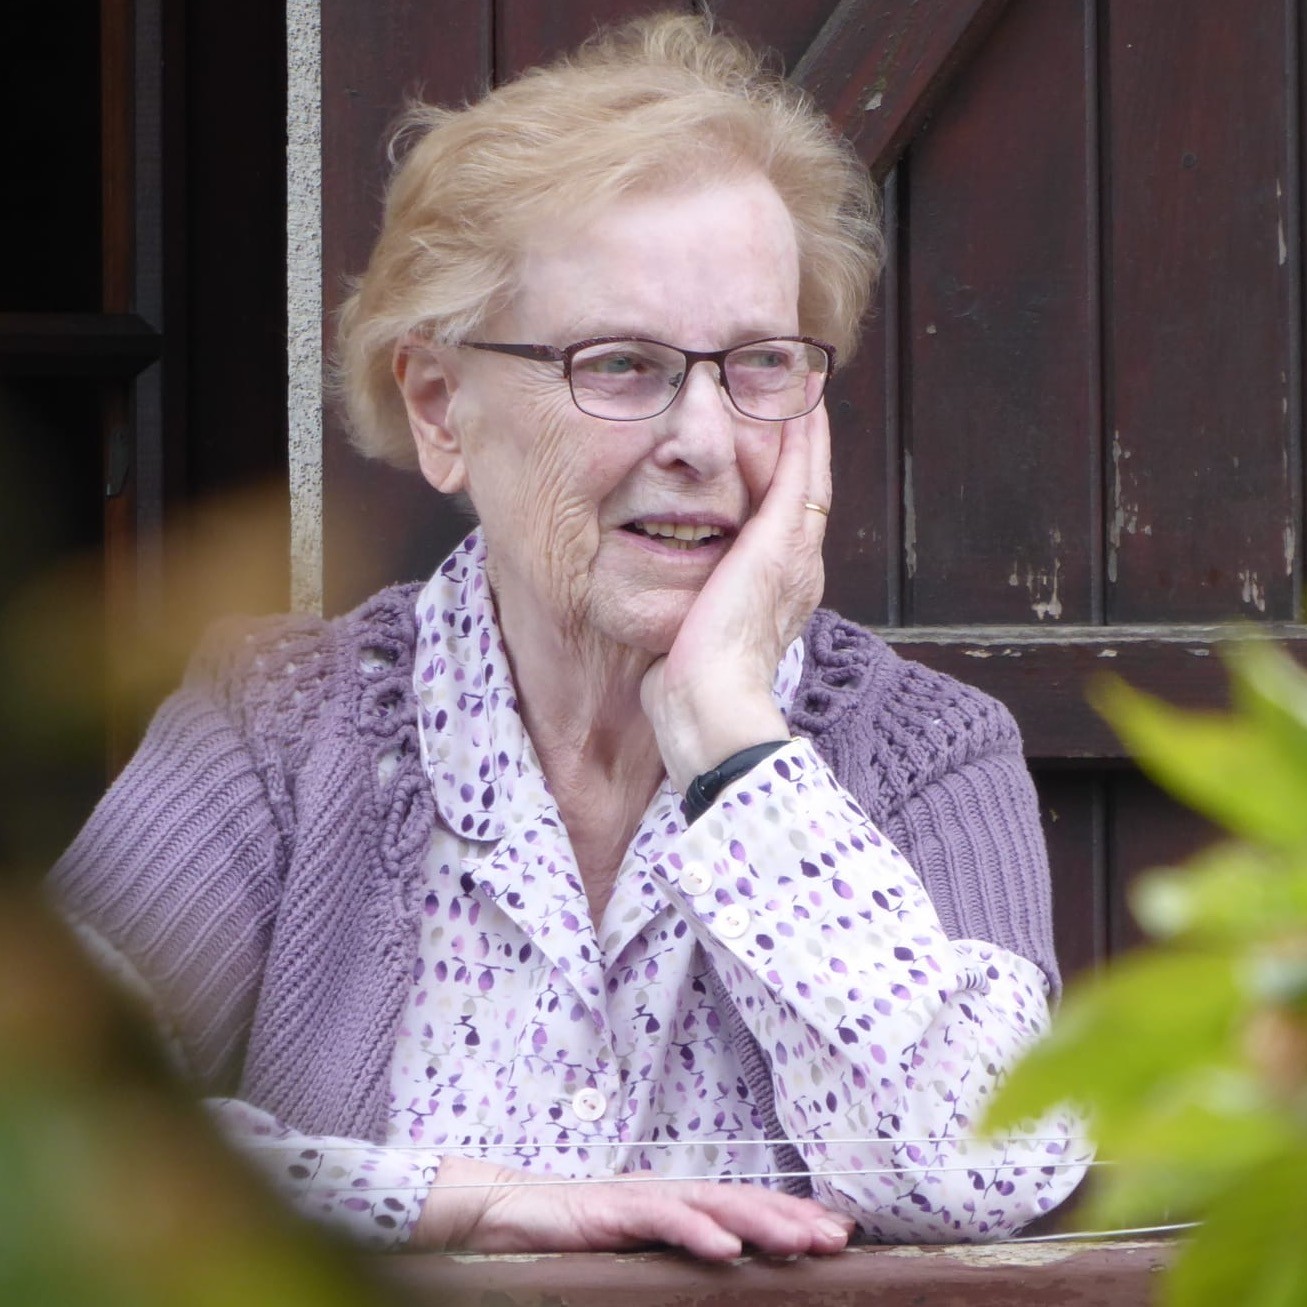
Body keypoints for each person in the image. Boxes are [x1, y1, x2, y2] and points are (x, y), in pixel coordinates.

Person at [52, 12, 1086, 1258]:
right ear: (440, 406)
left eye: (759, 364)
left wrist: (733, 744)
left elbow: (987, 1167)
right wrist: (457, 1197)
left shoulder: (921, 750)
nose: (703, 439)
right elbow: (43, 1130)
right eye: (622, 364)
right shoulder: (277, 730)